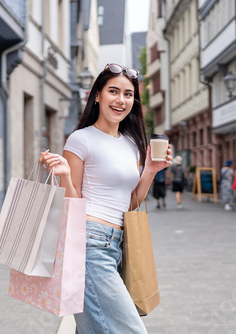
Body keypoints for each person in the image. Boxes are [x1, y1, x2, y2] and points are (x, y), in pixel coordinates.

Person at [39, 63, 172, 334]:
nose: (121, 100)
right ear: (97, 94)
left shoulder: (131, 143)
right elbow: (72, 204)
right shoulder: (80, 140)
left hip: (118, 244)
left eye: (128, 94)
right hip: (91, 243)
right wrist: (64, 175)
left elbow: (131, 202)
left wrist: (150, 170)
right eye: (113, 91)